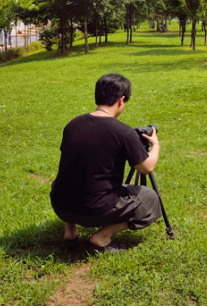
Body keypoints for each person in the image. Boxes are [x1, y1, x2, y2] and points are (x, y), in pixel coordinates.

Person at [50, 73, 162, 252]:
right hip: (94, 211)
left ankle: (70, 232)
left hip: (61, 205)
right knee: (150, 199)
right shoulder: (123, 132)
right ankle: (102, 237)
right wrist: (155, 145)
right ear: (121, 100)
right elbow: (147, 167)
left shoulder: (73, 124)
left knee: (67, 178)